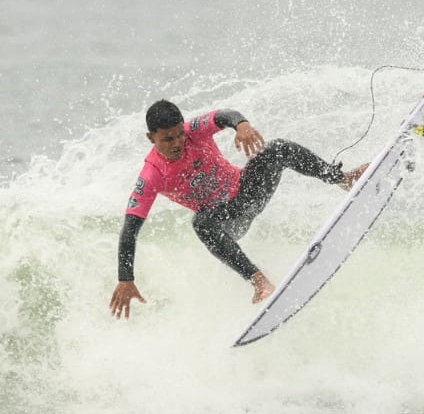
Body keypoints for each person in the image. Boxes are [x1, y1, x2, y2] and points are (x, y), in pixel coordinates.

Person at [109, 100, 368, 319]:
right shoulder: (151, 176)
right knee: (201, 223)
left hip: (248, 192)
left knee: (278, 149)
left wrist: (241, 125)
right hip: (227, 220)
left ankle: (342, 179)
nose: (177, 142)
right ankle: (259, 282)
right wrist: (125, 278)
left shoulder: (193, 131)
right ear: (150, 137)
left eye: (179, 134)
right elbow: (130, 229)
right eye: (168, 139)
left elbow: (224, 116)